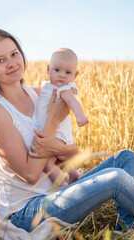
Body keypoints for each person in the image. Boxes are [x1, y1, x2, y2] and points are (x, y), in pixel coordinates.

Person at [0, 28, 134, 234]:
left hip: (61, 191)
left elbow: (74, 157)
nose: (11, 63)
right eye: (0, 60)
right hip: (27, 213)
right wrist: (52, 122)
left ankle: (127, 227)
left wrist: (58, 148)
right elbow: (30, 174)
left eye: (14, 54)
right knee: (116, 179)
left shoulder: (41, 93)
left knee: (126, 158)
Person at [36, 48, 88, 190]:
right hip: (55, 133)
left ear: (75, 75)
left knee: (47, 162)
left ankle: (61, 185)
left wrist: (79, 115)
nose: (62, 76)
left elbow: (73, 102)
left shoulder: (64, 89)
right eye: (57, 70)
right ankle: (73, 174)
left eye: (68, 72)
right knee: (60, 160)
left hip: (58, 134)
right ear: (48, 69)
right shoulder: (47, 87)